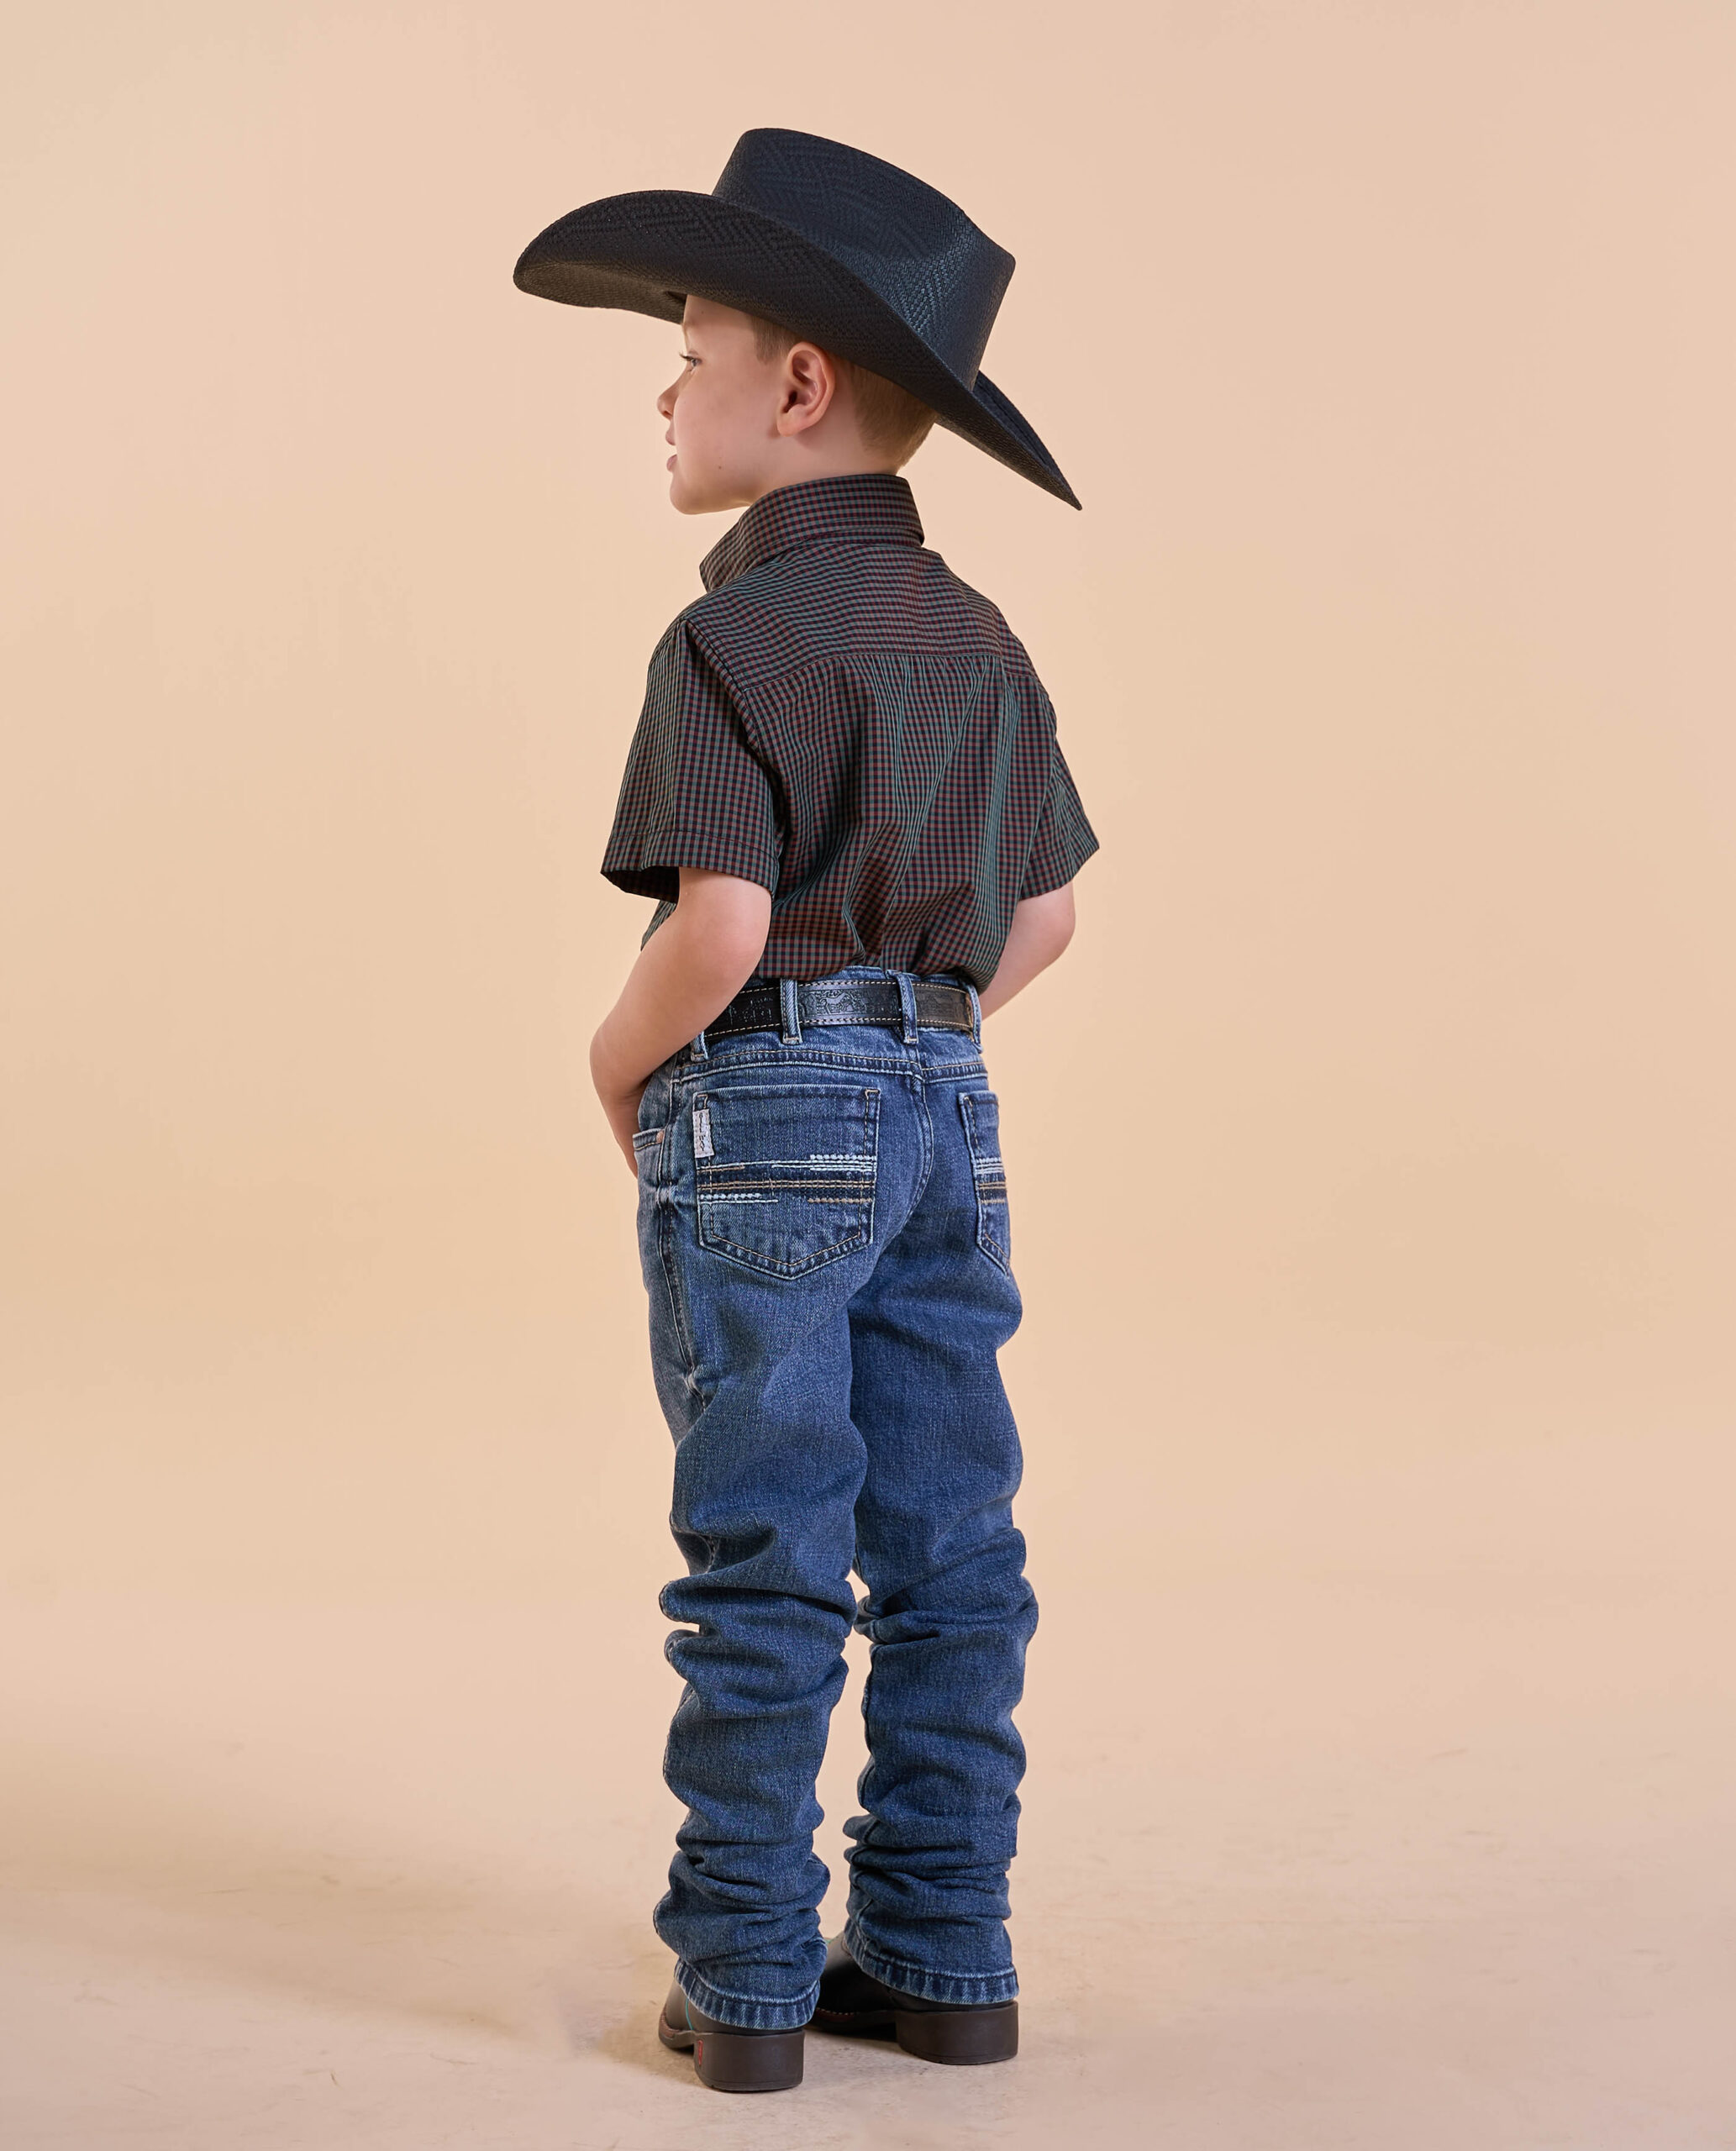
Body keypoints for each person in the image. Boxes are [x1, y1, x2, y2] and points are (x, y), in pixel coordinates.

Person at [513, 128, 1098, 2095]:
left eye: (685, 351)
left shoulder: (728, 638)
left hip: (762, 1096)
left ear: (794, 388)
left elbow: (726, 925)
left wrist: (620, 1060)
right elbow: (1048, 915)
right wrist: (910, 1033)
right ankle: (946, 1957)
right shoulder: (984, 639)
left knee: (766, 1548)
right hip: (947, 1101)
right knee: (951, 1542)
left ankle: (750, 1975)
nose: (662, 391)